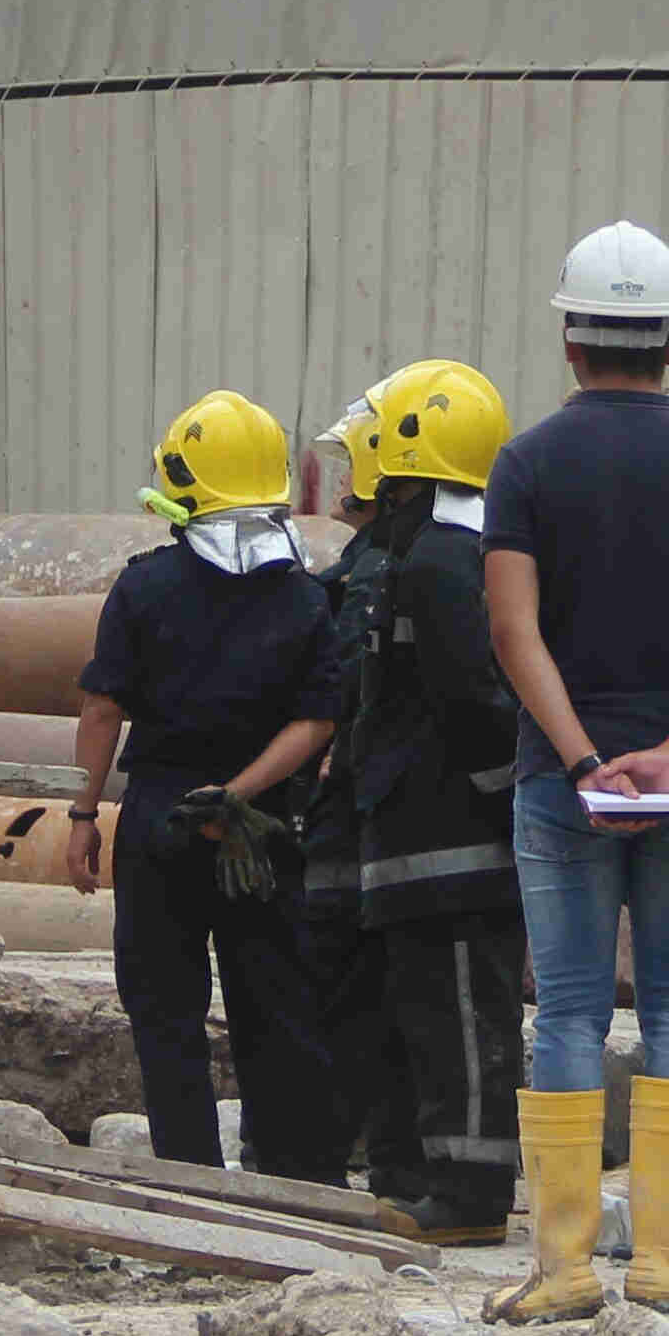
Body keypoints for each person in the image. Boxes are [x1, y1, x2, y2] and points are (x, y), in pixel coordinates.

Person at [479, 221, 669, 1322]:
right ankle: (667, 1259)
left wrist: (586, 761)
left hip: (564, 787)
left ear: (570, 339)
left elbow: (516, 633)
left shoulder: (526, 465)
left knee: (564, 1011)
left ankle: (561, 1269)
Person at [71, 394, 350, 1173]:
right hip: (259, 831)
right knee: (278, 1008)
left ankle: (190, 1185)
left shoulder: (143, 588)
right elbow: (318, 720)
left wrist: (82, 814)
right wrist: (241, 791)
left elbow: (102, 709)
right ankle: (301, 1184)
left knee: (166, 1015)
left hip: (160, 818)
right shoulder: (303, 597)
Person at [326, 359, 527, 1244]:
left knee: (461, 1016)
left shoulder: (444, 558)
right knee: (432, 1016)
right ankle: (435, 1178)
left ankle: (473, 1194)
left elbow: (473, 700)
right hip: (423, 833)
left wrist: (493, 797)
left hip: (450, 839)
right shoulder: (432, 548)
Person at [288, 382, 420, 1204]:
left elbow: (337, 694)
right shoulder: (394, 561)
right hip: (383, 817)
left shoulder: (373, 574)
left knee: (345, 996)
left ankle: (335, 1160)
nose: (341, 482)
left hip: (354, 825)